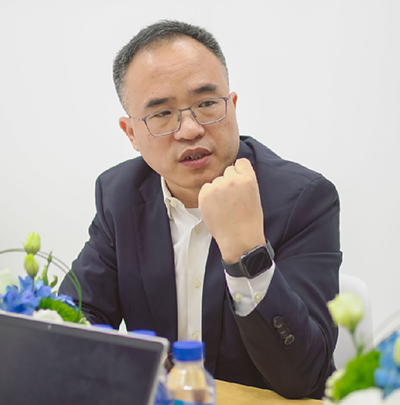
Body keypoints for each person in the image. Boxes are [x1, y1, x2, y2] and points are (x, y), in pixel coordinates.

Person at [59, 20, 342, 399]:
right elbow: (77, 318)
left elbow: (305, 378)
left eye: (207, 104)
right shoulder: (119, 194)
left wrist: (247, 253)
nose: (190, 129)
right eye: (162, 113)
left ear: (232, 106)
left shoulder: (303, 199)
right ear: (131, 133)